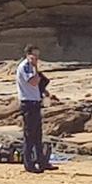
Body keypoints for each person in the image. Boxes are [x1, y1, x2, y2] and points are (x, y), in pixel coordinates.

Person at [16, 45, 58, 173]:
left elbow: (37, 85)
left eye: (38, 56)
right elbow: (33, 82)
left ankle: (42, 161)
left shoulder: (31, 67)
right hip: (28, 103)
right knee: (30, 135)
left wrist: (46, 93)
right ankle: (29, 164)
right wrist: (35, 68)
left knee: (37, 135)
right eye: (34, 55)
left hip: (35, 102)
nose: (36, 58)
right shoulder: (26, 66)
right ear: (28, 55)